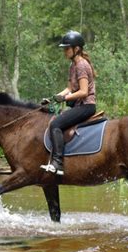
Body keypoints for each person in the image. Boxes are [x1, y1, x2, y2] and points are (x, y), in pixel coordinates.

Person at [41, 30, 96, 176]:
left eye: (67, 48)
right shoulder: (73, 65)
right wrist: (53, 98)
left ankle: (58, 163)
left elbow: (84, 92)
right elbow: (69, 88)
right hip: (79, 105)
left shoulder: (82, 65)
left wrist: (64, 99)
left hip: (86, 106)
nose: (64, 51)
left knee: (55, 124)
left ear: (76, 49)